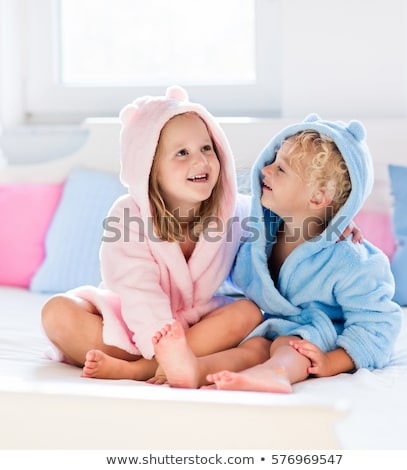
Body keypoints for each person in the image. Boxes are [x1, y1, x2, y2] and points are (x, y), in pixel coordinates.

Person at [151, 114, 402, 392]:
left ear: (318, 198)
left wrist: (333, 361)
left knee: (287, 346)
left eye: (280, 169)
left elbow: (378, 325)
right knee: (254, 346)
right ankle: (194, 371)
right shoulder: (260, 232)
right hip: (273, 327)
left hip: (317, 337)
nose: (265, 170)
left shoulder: (352, 260)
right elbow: (220, 257)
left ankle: (276, 374)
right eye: (271, 161)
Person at [40, 86, 265, 381]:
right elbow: (137, 287)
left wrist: (327, 226)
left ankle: (140, 369)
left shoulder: (232, 210)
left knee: (249, 312)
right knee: (57, 312)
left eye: (206, 148)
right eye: (182, 153)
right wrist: (160, 339)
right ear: (149, 169)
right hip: (133, 319)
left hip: (196, 327)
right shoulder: (129, 216)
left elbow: (276, 223)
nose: (200, 161)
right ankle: (166, 361)